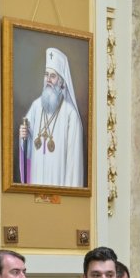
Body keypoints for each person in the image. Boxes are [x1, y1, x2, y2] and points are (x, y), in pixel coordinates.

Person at [17, 47, 84, 187]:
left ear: (61, 82)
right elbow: (29, 145)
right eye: (46, 75)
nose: (48, 80)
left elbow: (73, 166)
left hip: (59, 188)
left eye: (53, 76)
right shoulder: (36, 107)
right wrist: (25, 137)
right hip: (36, 181)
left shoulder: (71, 116)